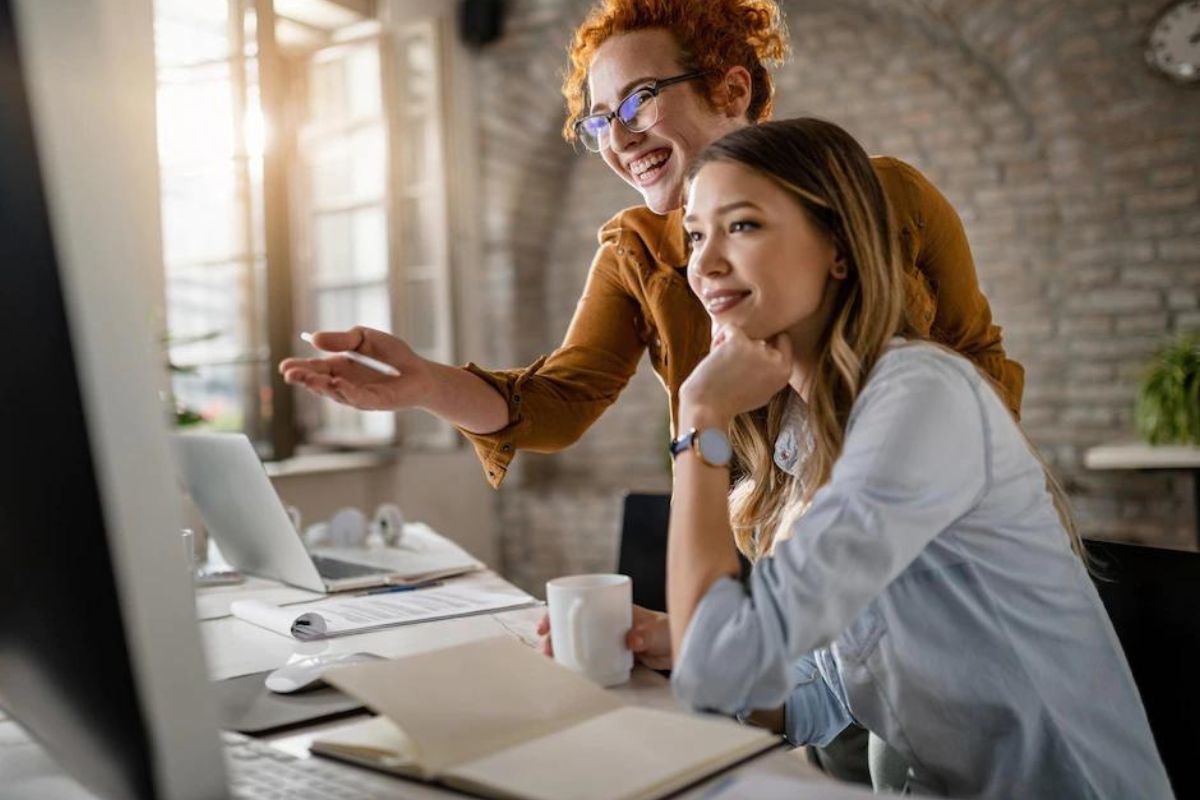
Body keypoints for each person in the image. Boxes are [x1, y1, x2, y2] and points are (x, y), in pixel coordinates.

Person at [661, 117, 1172, 797]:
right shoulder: (811, 435)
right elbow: (825, 693)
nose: (704, 265)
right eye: (697, 235)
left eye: (742, 225)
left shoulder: (921, 397)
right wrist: (679, 640)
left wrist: (701, 419)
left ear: (839, 247)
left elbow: (715, 673)